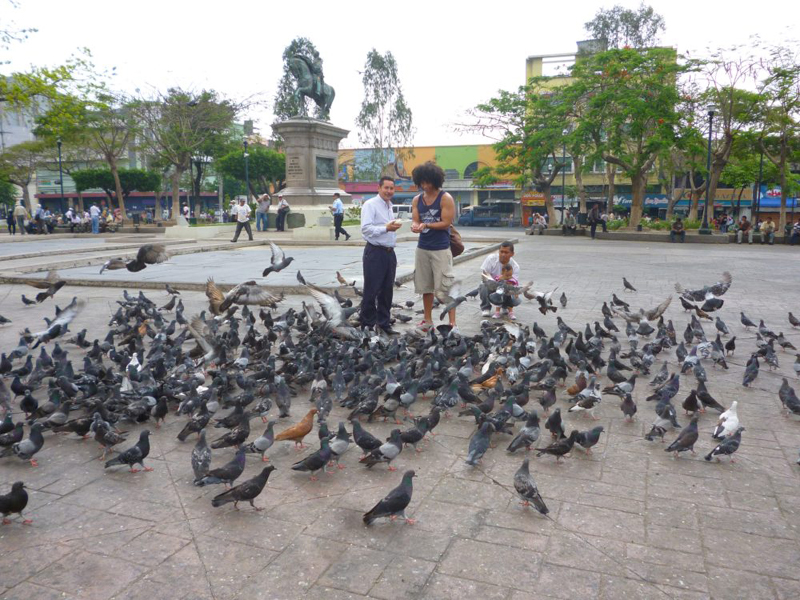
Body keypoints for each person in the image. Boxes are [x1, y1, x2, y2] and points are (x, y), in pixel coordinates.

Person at [410, 161, 457, 332]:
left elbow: (446, 222)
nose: (425, 186)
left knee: (445, 287)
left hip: (440, 248)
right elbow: (416, 219)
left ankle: (452, 322)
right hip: (422, 247)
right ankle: (427, 320)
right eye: (421, 182)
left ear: (435, 181)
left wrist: (427, 225)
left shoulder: (445, 198)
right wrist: (415, 226)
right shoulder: (417, 199)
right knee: (425, 286)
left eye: (428, 182)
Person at [360, 176, 402, 334]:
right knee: (372, 289)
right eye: (386, 188)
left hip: (390, 252)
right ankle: (368, 324)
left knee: (387, 290)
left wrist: (390, 229)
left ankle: (384, 323)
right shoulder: (370, 205)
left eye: (392, 188)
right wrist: (386, 228)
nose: (389, 191)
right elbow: (366, 229)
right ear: (379, 188)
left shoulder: (389, 206)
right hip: (375, 252)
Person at [480, 242, 520, 317]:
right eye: (501, 252)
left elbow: (513, 283)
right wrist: (493, 282)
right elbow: (485, 273)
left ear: (512, 254)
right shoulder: (491, 258)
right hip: (491, 283)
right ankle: (486, 308)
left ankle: (505, 306)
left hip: (505, 286)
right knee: (483, 285)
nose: (503, 254)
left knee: (511, 291)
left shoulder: (515, 266)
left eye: (506, 252)